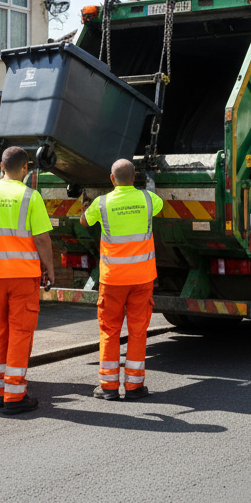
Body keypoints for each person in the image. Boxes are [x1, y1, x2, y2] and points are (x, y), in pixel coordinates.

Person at [0, 146, 56, 415]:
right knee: (20, 331)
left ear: (1, 167)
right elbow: (42, 238)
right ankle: (15, 394)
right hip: (22, 275)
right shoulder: (31, 197)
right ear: (25, 168)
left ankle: (0, 388)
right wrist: (49, 268)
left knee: (0, 331)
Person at [80, 158, 163, 400]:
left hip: (113, 279)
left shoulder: (102, 203)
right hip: (142, 278)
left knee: (109, 331)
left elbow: (85, 222)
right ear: (135, 176)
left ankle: (108, 387)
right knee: (138, 331)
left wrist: (85, 207)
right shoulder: (148, 200)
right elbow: (156, 201)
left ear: (111, 179)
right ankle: (135, 387)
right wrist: (151, 179)